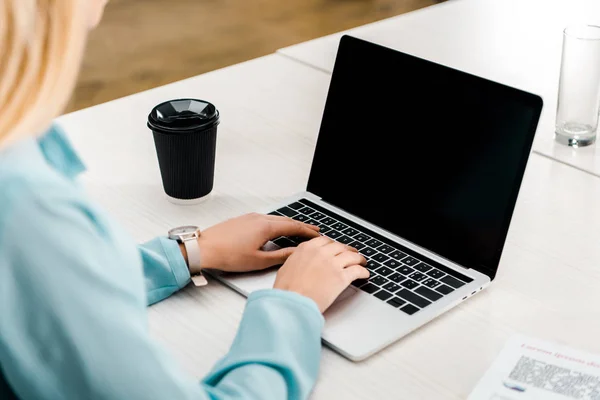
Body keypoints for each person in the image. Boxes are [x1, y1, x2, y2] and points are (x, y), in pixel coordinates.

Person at [0, 1, 370, 399]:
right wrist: (292, 305)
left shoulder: (19, 159)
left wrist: (189, 252)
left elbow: (43, 289)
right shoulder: (28, 207)